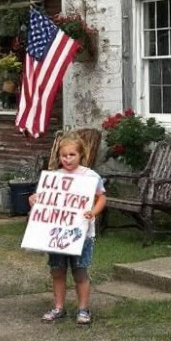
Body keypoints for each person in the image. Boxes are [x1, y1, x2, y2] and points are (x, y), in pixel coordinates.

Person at [36, 134, 106, 325]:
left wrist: (94, 211)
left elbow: (101, 197)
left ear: (81, 155)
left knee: (80, 271)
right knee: (57, 270)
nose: (67, 159)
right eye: (64, 155)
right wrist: (33, 199)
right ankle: (59, 307)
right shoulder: (54, 177)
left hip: (82, 234)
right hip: (57, 234)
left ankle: (83, 308)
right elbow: (41, 198)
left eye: (72, 155)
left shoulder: (90, 176)